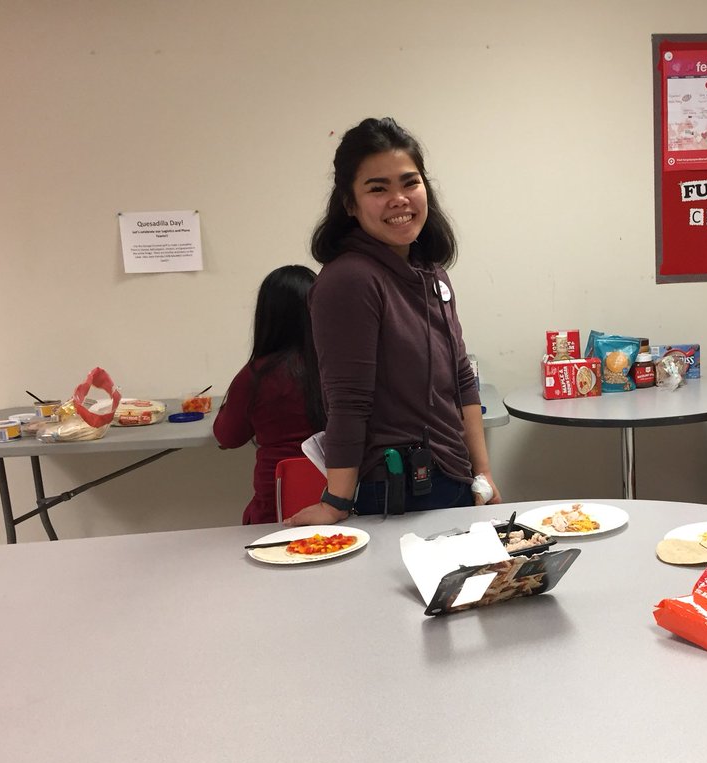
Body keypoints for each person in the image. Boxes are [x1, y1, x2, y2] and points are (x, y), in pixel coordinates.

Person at [287, 117, 500, 524]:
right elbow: (348, 401)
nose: (399, 199)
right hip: (393, 492)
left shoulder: (430, 272)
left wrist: (483, 472)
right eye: (377, 188)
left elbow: (460, 378)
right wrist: (336, 502)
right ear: (349, 204)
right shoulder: (350, 279)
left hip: (451, 478)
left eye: (409, 182)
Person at [213, 264, 325, 524]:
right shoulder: (338, 367)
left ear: (266, 316)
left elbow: (228, 436)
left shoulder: (254, 377)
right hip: (339, 496)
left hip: (276, 504)